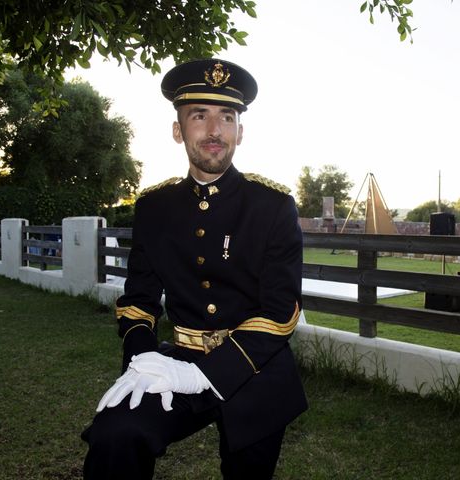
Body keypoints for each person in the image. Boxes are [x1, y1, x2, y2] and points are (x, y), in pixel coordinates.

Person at [82, 58, 307, 479]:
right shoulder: (153, 206)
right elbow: (138, 301)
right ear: (178, 129)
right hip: (176, 360)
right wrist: (143, 360)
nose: (214, 130)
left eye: (227, 117)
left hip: (253, 368)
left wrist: (204, 373)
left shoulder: (272, 205)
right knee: (115, 434)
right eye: (199, 116)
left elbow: (281, 310)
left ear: (240, 130)